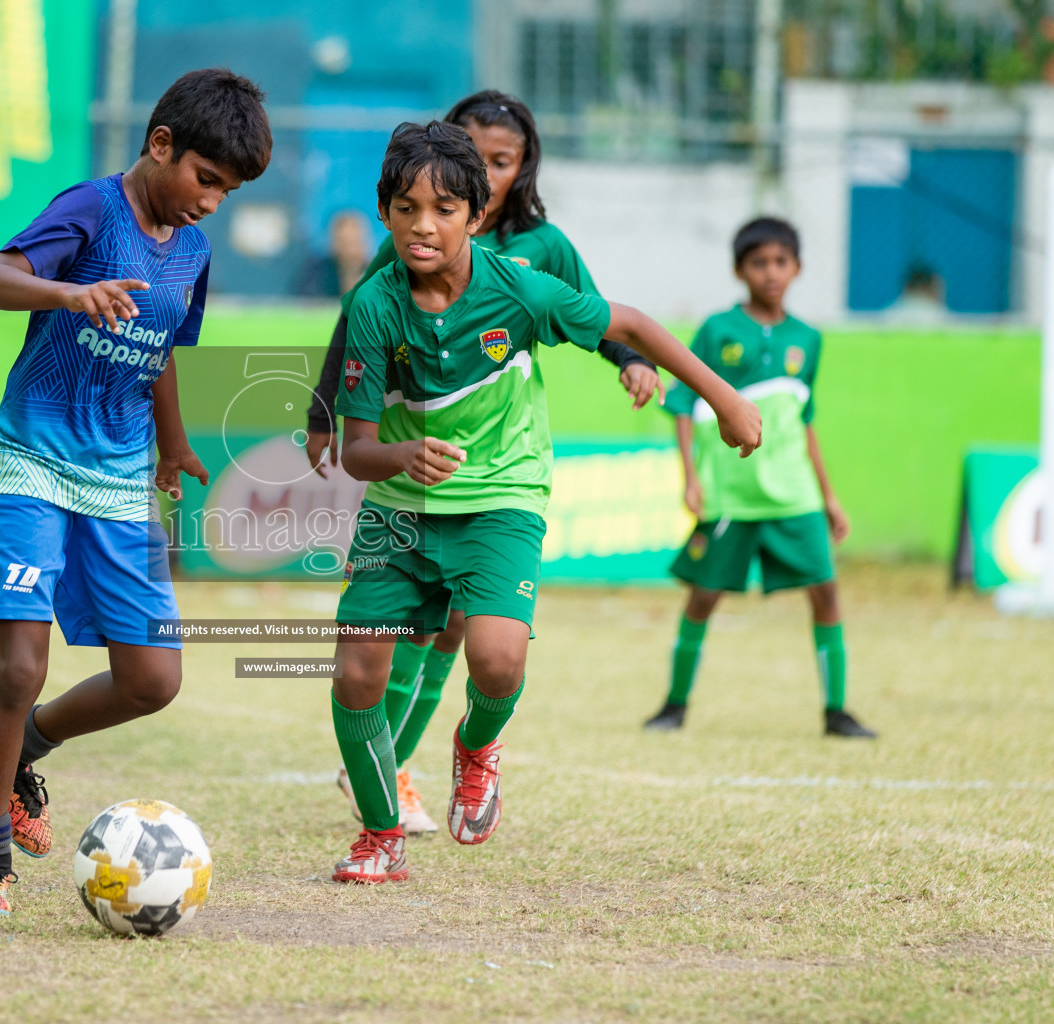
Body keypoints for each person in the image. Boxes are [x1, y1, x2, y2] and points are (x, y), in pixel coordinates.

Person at [328, 122, 761, 883]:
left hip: (501, 496)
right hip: (398, 505)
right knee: (357, 672)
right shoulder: (373, 303)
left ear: (477, 214)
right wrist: (400, 455)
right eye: (404, 208)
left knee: (495, 662)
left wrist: (723, 400)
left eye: (443, 210)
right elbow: (356, 447)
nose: (422, 226)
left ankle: (476, 746)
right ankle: (380, 835)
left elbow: (630, 324)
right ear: (384, 211)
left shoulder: (518, 288)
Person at [0, 69, 272, 917]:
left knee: (152, 681)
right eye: (206, 179)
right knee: (17, 666)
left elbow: (161, 348)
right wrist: (67, 291)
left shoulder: (193, 253)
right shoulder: (91, 210)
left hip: (124, 478)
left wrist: (174, 444)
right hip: (33, 461)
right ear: (160, 145)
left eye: (228, 192)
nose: (211, 203)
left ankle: (22, 751)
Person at [305, 91, 663, 835]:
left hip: (495, 471)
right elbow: (358, 321)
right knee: (417, 635)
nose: (488, 172)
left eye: (502, 161)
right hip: (413, 482)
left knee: (471, 633)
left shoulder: (540, 252)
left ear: (519, 168)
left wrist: (629, 361)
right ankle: (389, 771)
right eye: (478, 152)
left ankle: (443, 755)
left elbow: (599, 314)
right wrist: (322, 411)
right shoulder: (404, 250)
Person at [643, 218, 876, 739]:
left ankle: (836, 711)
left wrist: (830, 497)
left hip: (795, 494)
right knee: (703, 596)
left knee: (827, 593)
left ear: (797, 268)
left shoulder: (808, 340)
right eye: (759, 263)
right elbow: (682, 402)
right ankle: (674, 705)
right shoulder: (717, 330)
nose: (771, 273)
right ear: (739, 270)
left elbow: (805, 421)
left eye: (781, 262)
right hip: (732, 494)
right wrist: (691, 478)